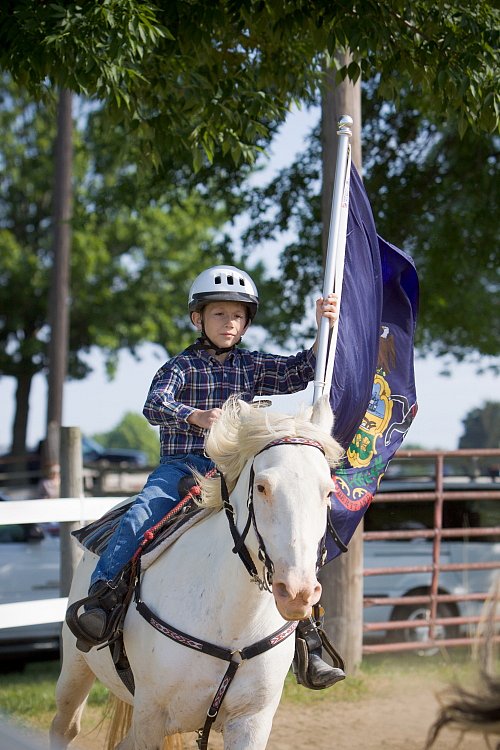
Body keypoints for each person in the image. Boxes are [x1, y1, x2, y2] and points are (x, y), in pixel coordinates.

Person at [70, 264, 344, 689]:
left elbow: (301, 369)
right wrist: (193, 415)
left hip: (232, 472)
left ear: (246, 322)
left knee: (278, 530)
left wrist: (322, 329)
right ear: (198, 319)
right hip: (183, 469)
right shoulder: (181, 367)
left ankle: (308, 635)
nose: (229, 323)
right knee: (142, 516)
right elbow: (154, 404)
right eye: (219, 314)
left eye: (237, 315)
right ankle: (104, 598)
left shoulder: (252, 365)